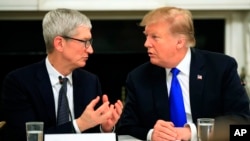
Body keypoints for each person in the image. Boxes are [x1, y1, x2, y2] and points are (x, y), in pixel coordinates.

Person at [117, 6, 250, 141]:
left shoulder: (221, 68)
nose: (146, 44)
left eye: (154, 37)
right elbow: (125, 127)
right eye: (146, 36)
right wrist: (151, 134)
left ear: (180, 42)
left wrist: (192, 132)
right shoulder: (138, 77)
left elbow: (243, 124)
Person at [1, 8, 123, 141]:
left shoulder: (90, 81)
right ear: (59, 43)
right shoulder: (19, 82)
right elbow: (23, 137)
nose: (91, 50)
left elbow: (92, 133)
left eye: (90, 42)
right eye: (84, 42)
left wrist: (104, 128)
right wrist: (79, 124)